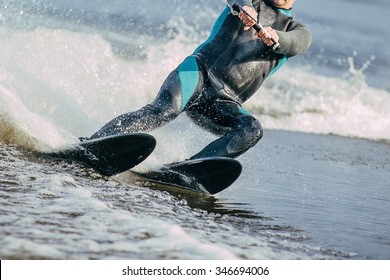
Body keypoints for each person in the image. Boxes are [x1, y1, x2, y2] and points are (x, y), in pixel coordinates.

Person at [88, 0, 312, 160]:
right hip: (196, 74)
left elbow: (296, 42)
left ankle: (188, 169)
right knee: (162, 111)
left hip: (224, 103)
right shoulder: (251, 1)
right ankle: (92, 143)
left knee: (252, 129)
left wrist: (275, 36)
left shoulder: (297, 31)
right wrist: (244, 7)